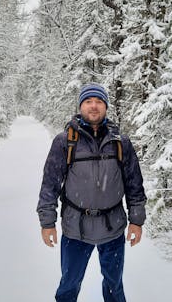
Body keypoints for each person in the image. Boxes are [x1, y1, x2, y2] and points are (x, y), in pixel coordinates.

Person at [37, 83, 147, 302]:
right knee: (69, 285)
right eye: (88, 102)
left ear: (106, 106)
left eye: (98, 102)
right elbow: (50, 184)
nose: (93, 106)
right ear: (80, 106)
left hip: (112, 227)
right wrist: (47, 223)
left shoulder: (120, 142)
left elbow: (134, 184)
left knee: (114, 286)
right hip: (75, 228)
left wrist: (137, 220)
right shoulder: (65, 141)